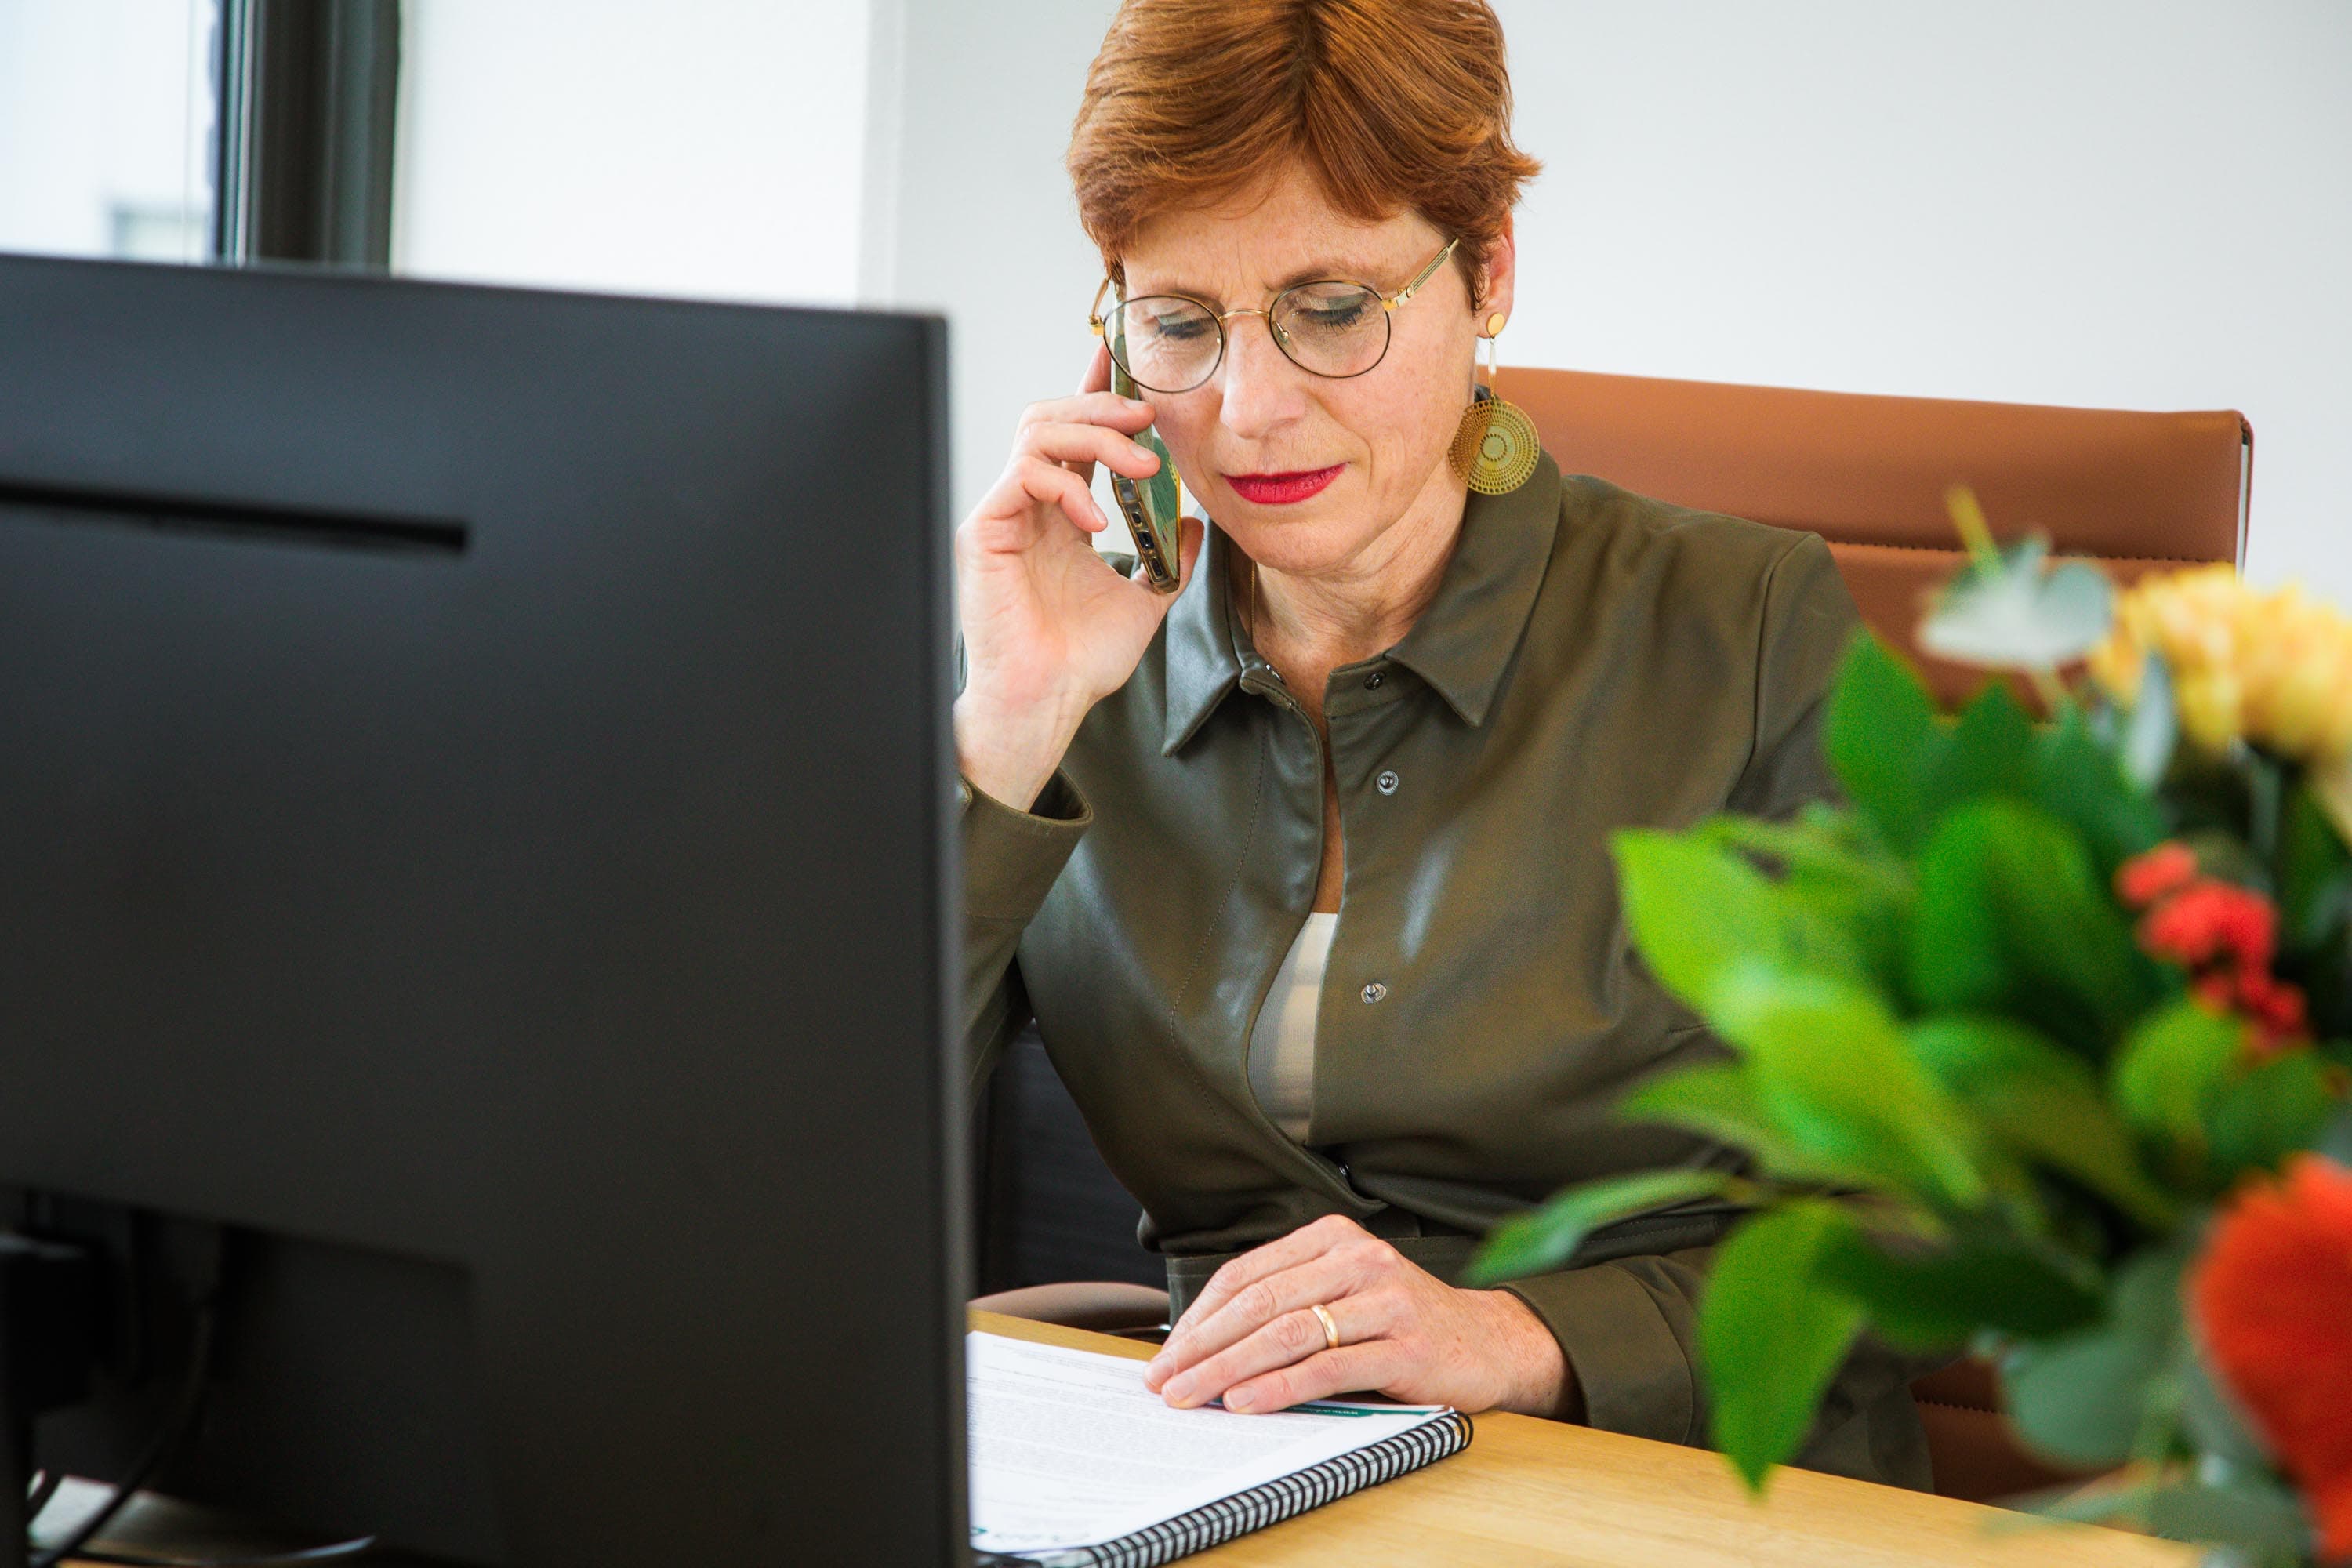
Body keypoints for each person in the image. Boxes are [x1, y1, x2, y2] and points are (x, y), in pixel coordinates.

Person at [956, 0, 1929, 1486]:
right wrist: (1007, 726)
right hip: (1224, 1485)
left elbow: (1931, 1215)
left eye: (1332, 307)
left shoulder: (1743, 629)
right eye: (1179, 324)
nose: (1251, 409)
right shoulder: (1081, 653)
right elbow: (789, 1163)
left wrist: (1521, 1336)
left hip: (1676, 1483)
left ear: (1488, 277)